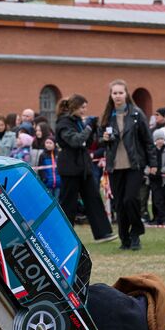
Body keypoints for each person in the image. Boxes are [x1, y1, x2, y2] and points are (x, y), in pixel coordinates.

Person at [99, 80, 155, 250]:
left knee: (131, 199)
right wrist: (104, 139)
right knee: (119, 204)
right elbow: (99, 140)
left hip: (134, 164)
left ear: (126, 94)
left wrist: (153, 163)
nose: (117, 96)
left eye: (120, 93)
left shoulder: (136, 114)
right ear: (111, 95)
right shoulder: (108, 117)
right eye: (114, 93)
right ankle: (124, 238)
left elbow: (147, 140)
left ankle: (136, 233)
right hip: (115, 166)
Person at [55, 94, 115, 243]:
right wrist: (88, 127)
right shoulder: (64, 123)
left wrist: (96, 133)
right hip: (70, 168)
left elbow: (86, 143)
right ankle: (63, 236)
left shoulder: (77, 122)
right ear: (74, 107)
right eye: (82, 107)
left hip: (83, 167)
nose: (85, 110)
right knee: (68, 203)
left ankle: (103, 233)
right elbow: (75, 141)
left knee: (93, 199)